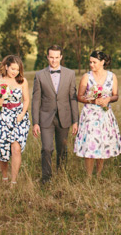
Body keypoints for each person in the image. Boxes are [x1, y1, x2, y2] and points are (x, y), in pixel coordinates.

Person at [32, 45, 79, 184]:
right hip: (45, 118)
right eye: (51, 57)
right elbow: (36, 100)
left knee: (62, 149)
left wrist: (75, 120)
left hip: (64, 117)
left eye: (56, 57)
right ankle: (46, 178)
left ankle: (61, 176)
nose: (54, 60)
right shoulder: (39, 75)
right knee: (46, 148)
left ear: (61, 57)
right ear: (47, 57)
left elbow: (73, 97)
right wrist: (35, 122)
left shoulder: (70, 74)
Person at [73, 51, 121, 177]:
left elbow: (116, 96)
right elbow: (79, 96)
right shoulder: (86, 77)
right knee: (90, 143)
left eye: (94, 62)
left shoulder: (112, 76)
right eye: (90, 62)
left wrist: (108, 99)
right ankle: (89, 176)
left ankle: (99, 174)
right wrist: (92, 100)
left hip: (105, 114)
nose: (91, 64)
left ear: (102, 62)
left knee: (103, 143)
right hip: (90, 115)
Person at [0, 55, 31, 184]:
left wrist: (22, 114)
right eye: (13, 69)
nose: (15, 72)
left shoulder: (22, 81)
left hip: (18, 117)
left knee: (16, 148)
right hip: (1, 117)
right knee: (3, 150)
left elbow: (26, 100)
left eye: (17, 69)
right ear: (6, 67)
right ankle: (5, 177)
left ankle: (13, 181)